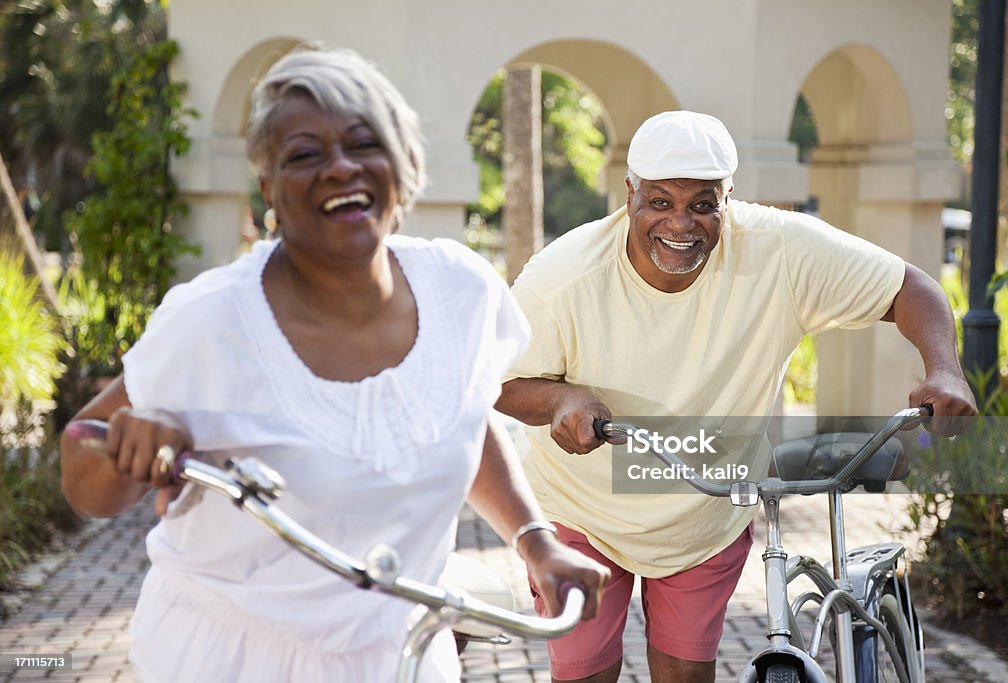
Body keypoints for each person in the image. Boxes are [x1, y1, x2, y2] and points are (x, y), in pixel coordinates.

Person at [60, 46, 608, 683]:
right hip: (228, 660)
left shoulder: (460, 290)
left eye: (362, 143)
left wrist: (535, 541)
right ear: (268, 189)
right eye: (304, 155)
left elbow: (460, 414)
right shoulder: (211, 319)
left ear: (402, 165)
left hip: (404, 655)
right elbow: (81, 468)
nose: (339, 168)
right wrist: (130, 453)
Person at [495, 110, 978, 683]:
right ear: (629, 194)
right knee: (583, 675)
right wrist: (559, 400)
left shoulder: (779, 248)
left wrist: (945, 371)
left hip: (706, 514)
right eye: (659, 201)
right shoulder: (564, 276)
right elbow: (497, 380)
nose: (680, 223)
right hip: (581, 513)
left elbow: (909, 288)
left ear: (729, 197)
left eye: (703, 204)